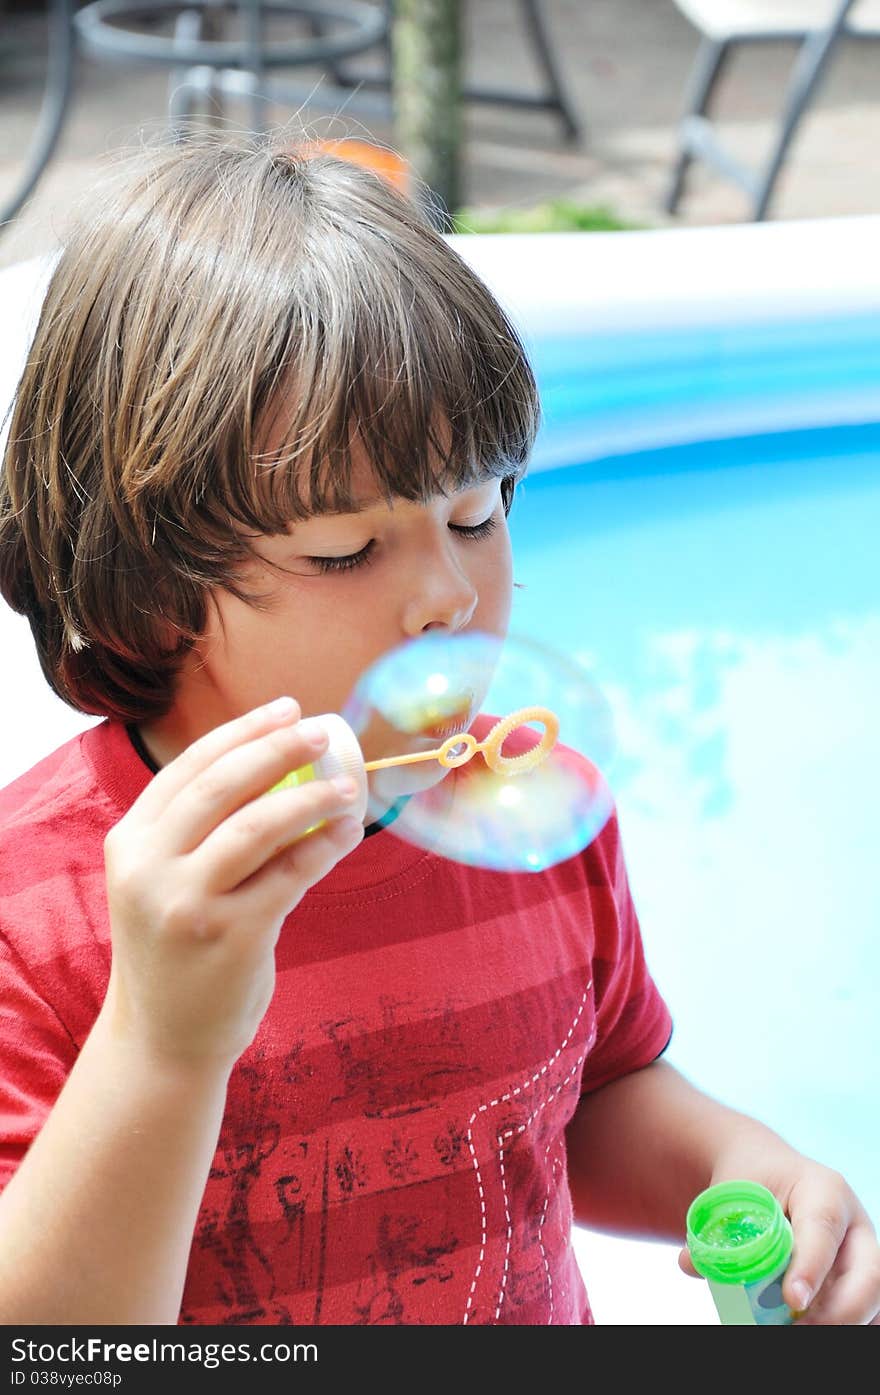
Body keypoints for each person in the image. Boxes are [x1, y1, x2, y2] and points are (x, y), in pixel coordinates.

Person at [0, 134, 877, 1328]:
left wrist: (733, 1166)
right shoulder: (36, 920)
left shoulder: (531, 808)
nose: (448, 596)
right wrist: (163, 1038)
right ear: (151, 589)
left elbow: (588, 1095)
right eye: (345, 551)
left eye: (476, 513)